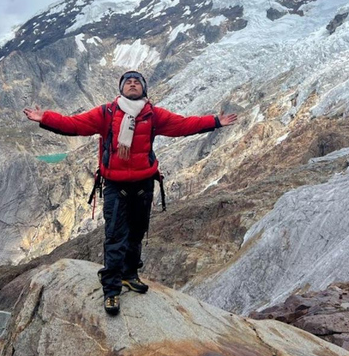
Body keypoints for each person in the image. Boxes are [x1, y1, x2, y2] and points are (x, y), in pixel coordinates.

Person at [24, 70, 237, 315]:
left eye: (137, 82)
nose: (133, 84)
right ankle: (111, 289)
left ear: (143, 89)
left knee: (136, 234)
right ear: (121, 89)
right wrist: (46, 118)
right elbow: (75, 125)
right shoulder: (106, 113)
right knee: (115, 237)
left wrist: (215, 121)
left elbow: (183, 125)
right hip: (116, 186)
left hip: (144, 184)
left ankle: (129, 275)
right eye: (128, 82)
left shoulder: (153, 115)